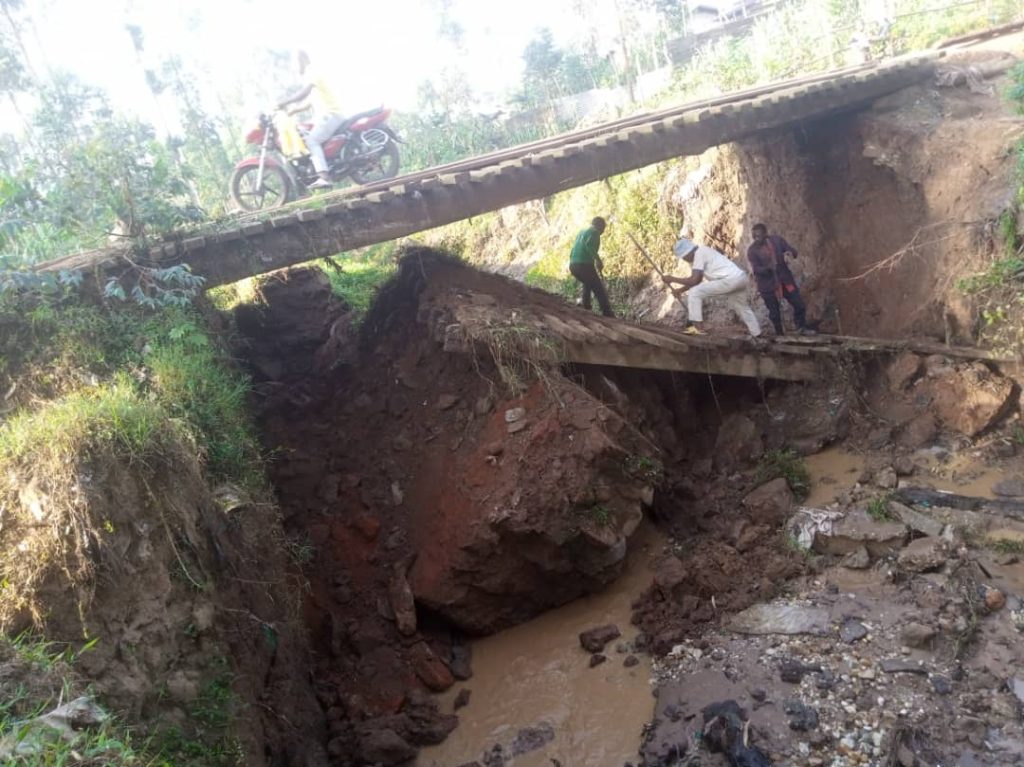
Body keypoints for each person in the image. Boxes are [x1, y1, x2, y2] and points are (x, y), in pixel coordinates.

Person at [664, 238, 761, 337]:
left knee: (694, 293)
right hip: (740, 278)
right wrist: (680, 290)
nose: (684, 260)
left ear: (687, 252)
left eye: (684, 257)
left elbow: (695, 280)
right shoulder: (702, 252)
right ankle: (757, 333)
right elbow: (697, 280)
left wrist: (672, 279)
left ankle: (697, 327)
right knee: (742, 307)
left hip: (729, 280)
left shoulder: (699, 253)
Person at [277, 50, 344, 190]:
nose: (295, 67)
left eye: (295, 63)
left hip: (331, 114)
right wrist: (294, 110)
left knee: (311, 140)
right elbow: (309, 102)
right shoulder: (311, 75)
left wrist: (286, 102)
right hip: (327, 115)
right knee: (304, 132)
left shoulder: (312, 72)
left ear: (302, 59)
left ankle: (324, 176)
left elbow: (304, 93)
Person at [746, 223, 812, 336]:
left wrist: (789, 253)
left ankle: (801, 327)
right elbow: (756, 269)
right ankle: (779, 334)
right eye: (754, 236)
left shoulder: (777, 240)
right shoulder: (752, 250)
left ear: (766, 234)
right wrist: (768, 268)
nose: (756, 239)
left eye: (759, 236)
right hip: (767, 285)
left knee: (799, 303)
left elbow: (792, 251)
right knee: (774, 312)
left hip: (784, 280)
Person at [569, 217, 614, 318]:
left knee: (588, 283)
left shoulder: (582, 232)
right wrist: (598, 261)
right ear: (599, 226)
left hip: (573, 265)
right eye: (603, 228)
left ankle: (586, 308)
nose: (603, 231)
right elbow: (589, 245)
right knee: (598, 289)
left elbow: (574, 249)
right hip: (584, 264)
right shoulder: (594, 232)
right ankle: (607, 313)